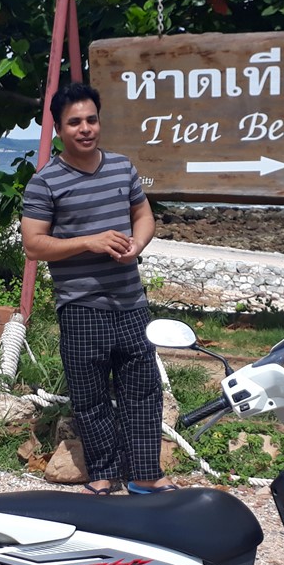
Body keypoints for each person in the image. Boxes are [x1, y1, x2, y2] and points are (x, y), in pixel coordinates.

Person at [21, 82, 175, 496]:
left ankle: (145, 474)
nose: (85, 128)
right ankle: (102, 475)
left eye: (91, 119)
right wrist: (88, 242)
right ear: (58, 128)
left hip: (130, 301)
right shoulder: (46, 182)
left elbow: (143, 216)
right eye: (74, 122)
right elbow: (33, 244)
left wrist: (137, 245)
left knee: (143, 392)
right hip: (80, 305)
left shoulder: (122, 168)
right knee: (89, 397)